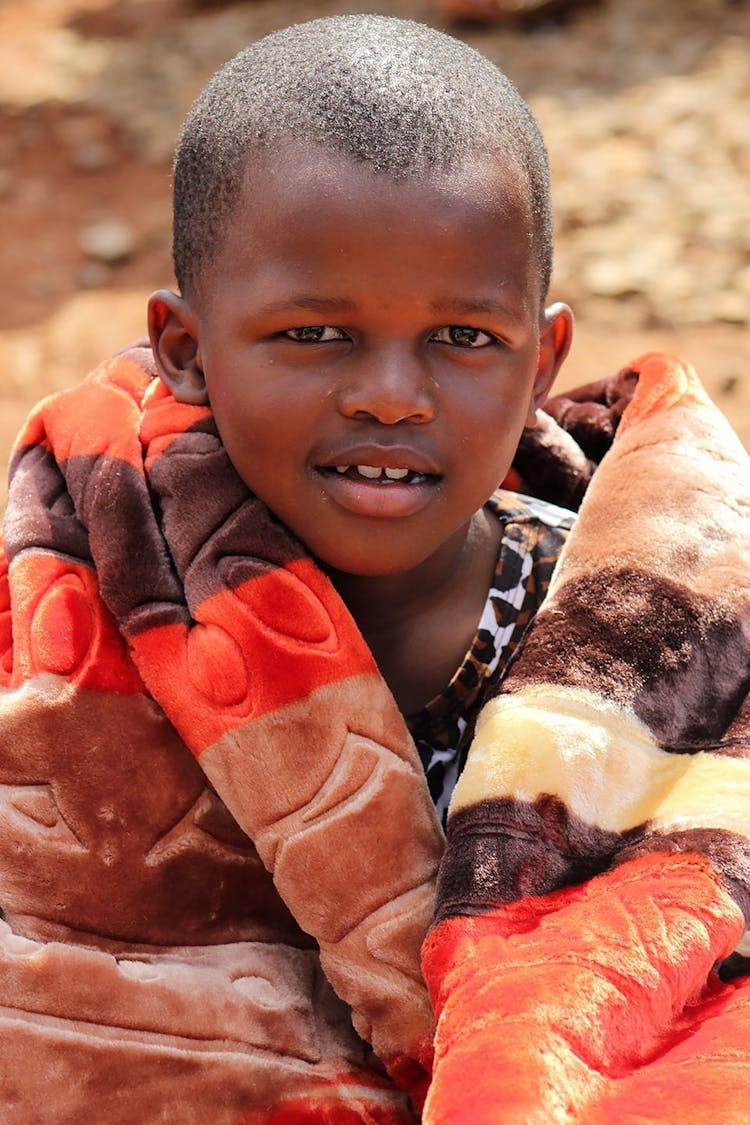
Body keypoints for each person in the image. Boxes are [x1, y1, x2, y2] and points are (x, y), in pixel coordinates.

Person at [1, 12, 748, 1125]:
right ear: (185, 350)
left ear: (542, 361)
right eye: (315, 335)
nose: (392, 394)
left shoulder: (648, 644)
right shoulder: (92, 601)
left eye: (463, 337)